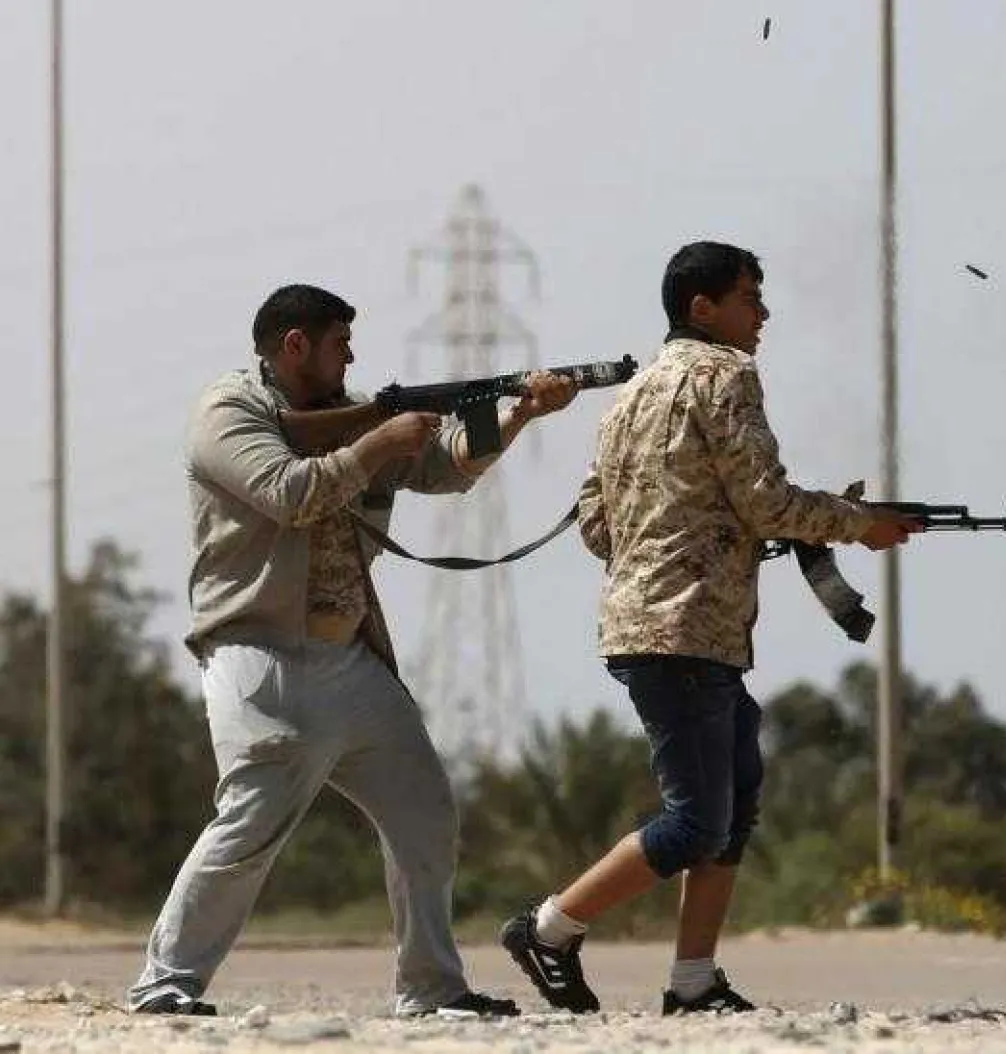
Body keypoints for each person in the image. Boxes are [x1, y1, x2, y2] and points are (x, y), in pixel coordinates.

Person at [128, 284, 577, 1018]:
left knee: (424, 814)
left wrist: (517, 412)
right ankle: (165, 984)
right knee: (250, 823)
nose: (352, 357)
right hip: (259, 650)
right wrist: (376, 443)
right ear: (295, 345)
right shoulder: (228, 412)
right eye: (340, 343)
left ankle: (431, 989)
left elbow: (446, 468)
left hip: (350, 655)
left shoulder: (356, 413)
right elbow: (289, 493)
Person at [500, 242, 920, 1014]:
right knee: (696, 822)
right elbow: (766, 499)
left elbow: (597, 524)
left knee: (735, 802)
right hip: (685, 629)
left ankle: (693, 981)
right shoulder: (725, 374)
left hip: (660, 626)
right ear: (703, 307)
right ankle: (549, 928)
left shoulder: (629, 395)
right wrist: (858, 523)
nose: (763, 314)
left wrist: (703, 529)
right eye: (749, 297)